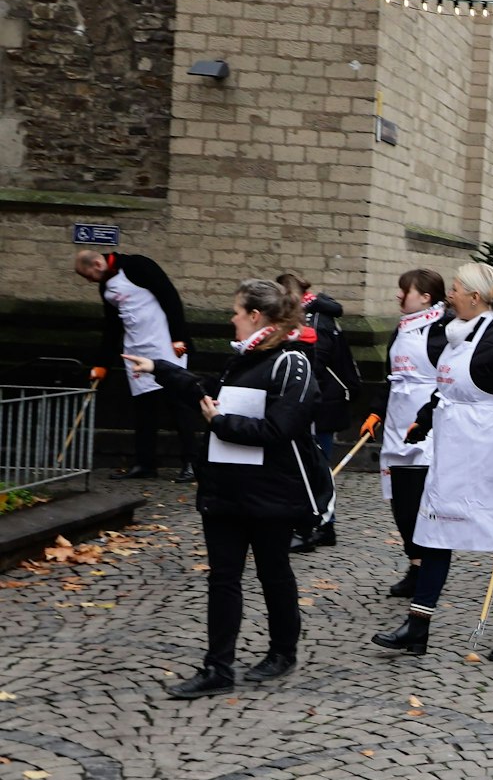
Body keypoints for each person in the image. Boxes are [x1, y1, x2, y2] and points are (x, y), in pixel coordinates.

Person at [124, 279, 329, 698]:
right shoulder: (247, 357)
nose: (231, 320)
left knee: (274, 573)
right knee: (223, 578)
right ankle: (218, 667)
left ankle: (282, 652)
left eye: (236, 312)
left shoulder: (292, 363)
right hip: (227, 487)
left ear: (256, 316)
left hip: (271, 490)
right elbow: (210, 393)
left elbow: (279, 428)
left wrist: (220, 424)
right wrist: (159, 369)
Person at [372, 263, 493, 662]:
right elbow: (445, 390)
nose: (447, 296)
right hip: (452, 450)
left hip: (489, 451)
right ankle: (417, 628)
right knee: (435, 532)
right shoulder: (457, 334)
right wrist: (423, 421)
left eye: (454, 290)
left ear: (475, 297)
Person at [75, 248, 199, 482]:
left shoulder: (139, 266)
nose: (89, 281)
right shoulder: (105, 287)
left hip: (165, 346)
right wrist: (103, 364)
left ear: (98, 266)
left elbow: (170, 298)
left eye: (88, 276)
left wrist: (179, 339)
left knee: (178, 405)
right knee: (144, 409)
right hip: (136, 350)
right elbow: (112, 327)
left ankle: (192, 462)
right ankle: (145, 463)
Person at [377, 269, 450, 598]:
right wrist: (377, 411)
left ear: (425, 297)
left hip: (427, 425)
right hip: (395, 420)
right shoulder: (400, 329)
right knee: (398, 501)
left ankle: (425, 567)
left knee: (417, 501)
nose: (398, 295)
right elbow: (389, 376)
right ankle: (415, 561)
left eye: (404, 290)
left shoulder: (444, 330)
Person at [276, 273, 361, 552]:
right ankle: (320, 523)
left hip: (321, 404)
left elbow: (315, 365)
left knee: (317, 465)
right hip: (319, 401)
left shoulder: (315, 321)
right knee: (314, 463)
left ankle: (320, 524)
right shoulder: (312, 317)